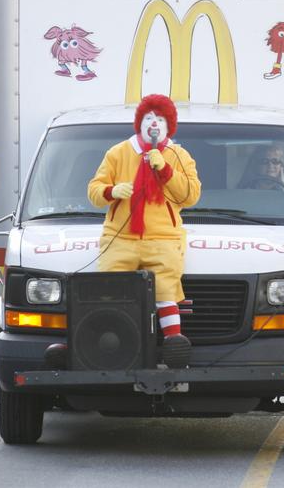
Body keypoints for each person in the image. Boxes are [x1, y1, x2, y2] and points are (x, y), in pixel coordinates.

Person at [86, 94, 201, 368]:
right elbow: (94, 190)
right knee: (110, 290)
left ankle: (174, 343)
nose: (154, 124)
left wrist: (166, 169)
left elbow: (191, 195)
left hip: (164, 239)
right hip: (120, 238)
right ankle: (107, 343)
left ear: (169, 125)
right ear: (139, 123)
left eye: (160, 119)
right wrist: (112, 191)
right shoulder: (117, 153)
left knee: (164, 290)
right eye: (149, 118)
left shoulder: (178, 155)